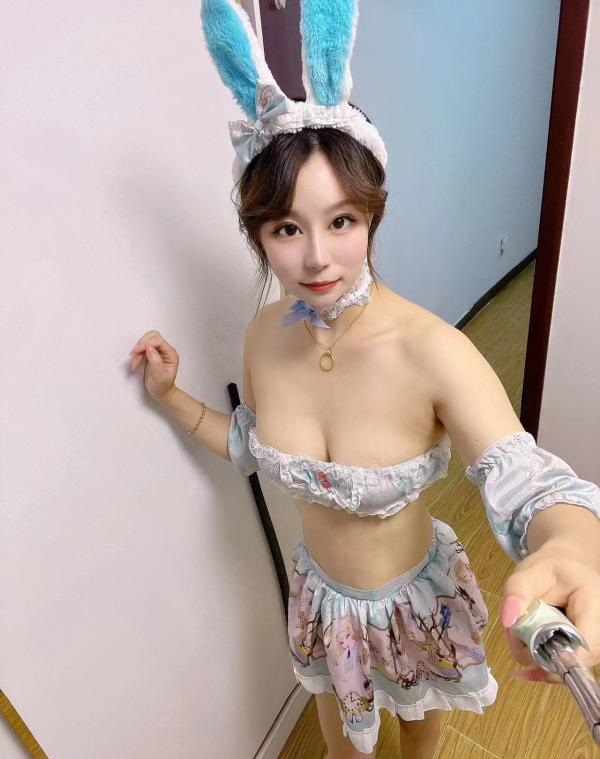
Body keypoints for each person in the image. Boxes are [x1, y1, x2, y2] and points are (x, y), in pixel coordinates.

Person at [128, 2, 600, 757]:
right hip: (322, 601)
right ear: (259, 234)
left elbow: (528, 479)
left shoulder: (431, 350)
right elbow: (249, 443)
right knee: (341, 743)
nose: (317, 257)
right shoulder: (264, 335)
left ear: (372, 215)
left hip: (414, 604)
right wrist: (170, 397)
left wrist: (575, 542)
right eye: (287, 228)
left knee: (417, 730)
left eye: (341, 221)